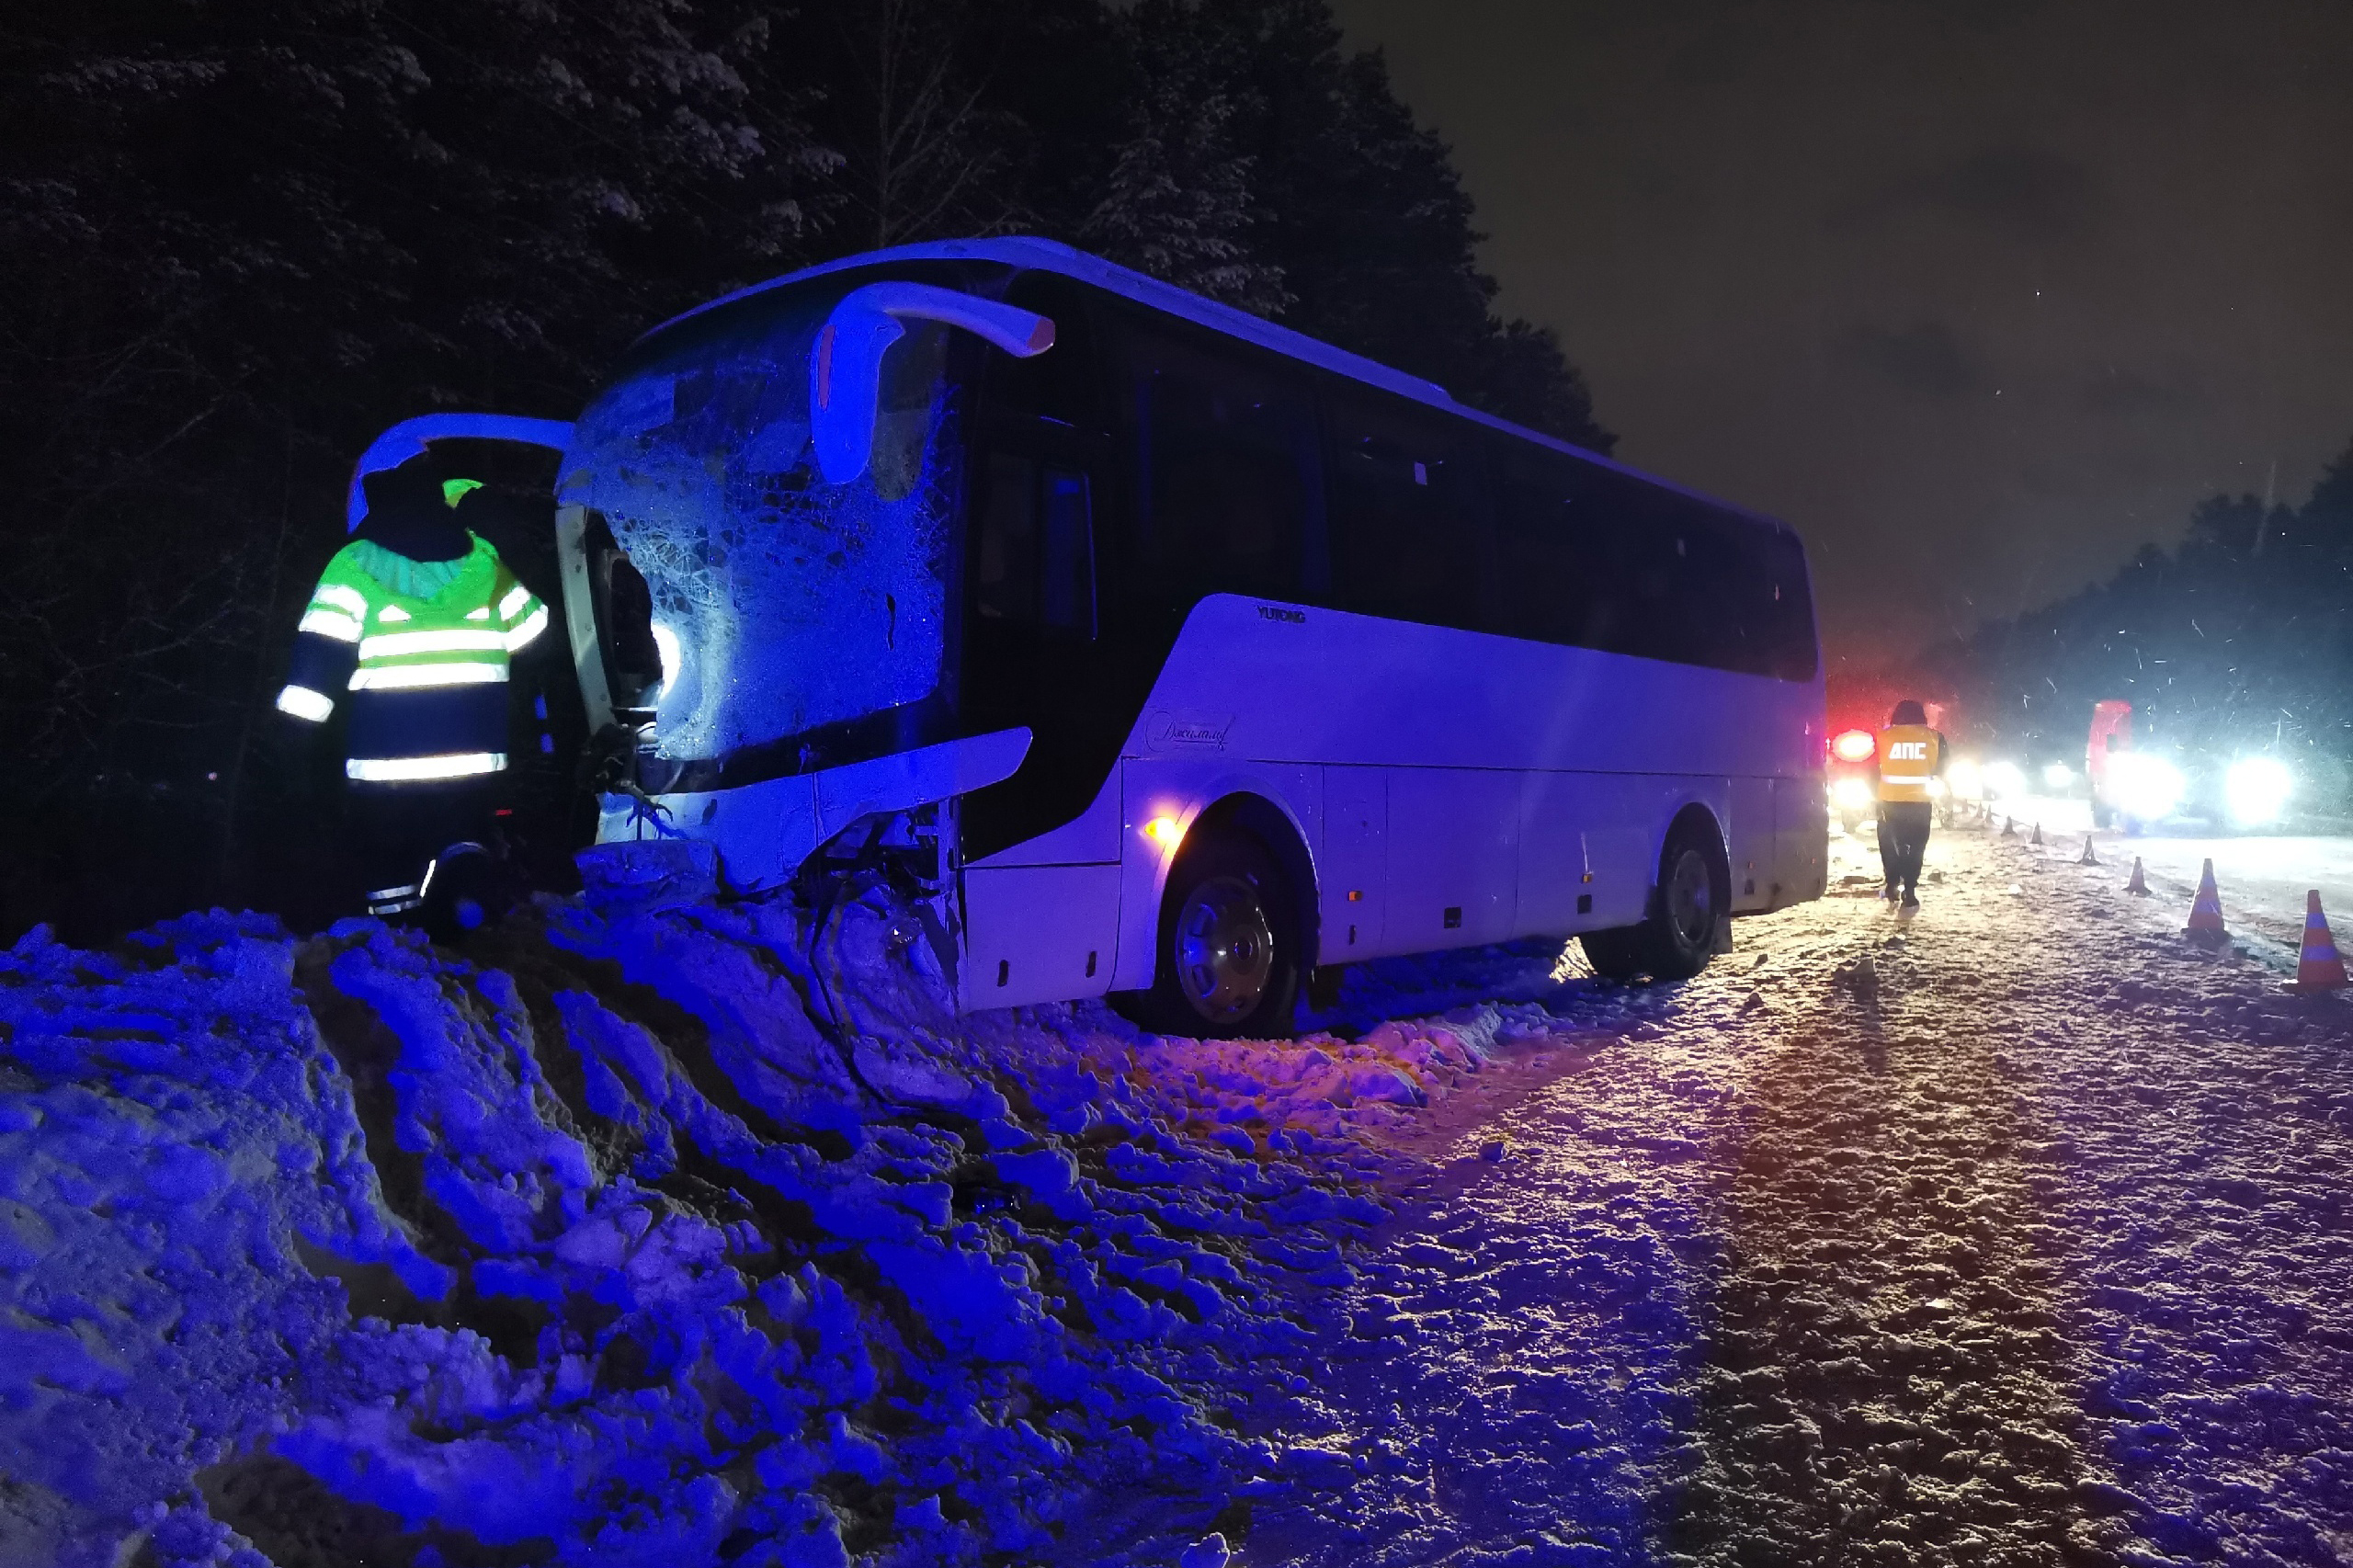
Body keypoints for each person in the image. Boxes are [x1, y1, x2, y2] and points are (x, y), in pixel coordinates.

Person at [276, 450, 549, 926]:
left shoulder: (354, 564)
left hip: (387, 766)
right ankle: (465, 912)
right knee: (462, 840)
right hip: (473, 760)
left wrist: (289, 739)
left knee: (387, 864)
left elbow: (318, 663)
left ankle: (401, 941)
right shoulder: (482, 561)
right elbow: (537, 636)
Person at [1875, 699, 1948, 908]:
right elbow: (1943, 767)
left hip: (1889, 801)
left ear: (1895, 716)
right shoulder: (1935, 737)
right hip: (1921, 802)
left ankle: (1892, 885)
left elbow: (1872, 767)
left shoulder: (1884, 736)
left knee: (1889, 844)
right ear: (1922, 717)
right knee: (1916, 846)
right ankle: (1910, 891)